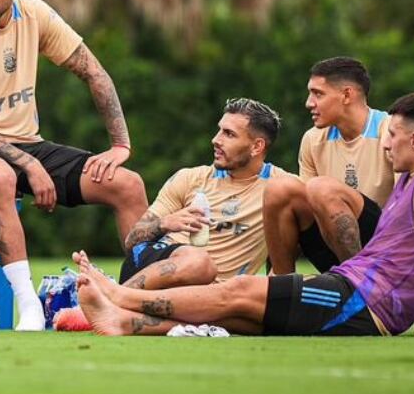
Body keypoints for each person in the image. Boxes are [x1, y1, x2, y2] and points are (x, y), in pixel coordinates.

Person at [72, 92, 414, 339]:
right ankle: (127, 321)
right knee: (239, 319)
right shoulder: (412, 182)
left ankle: (123, 298)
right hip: (360, 294)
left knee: (241, 293)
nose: (384, 143)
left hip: (359, 300)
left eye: (392, 136)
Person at [0, 0, 148, 330]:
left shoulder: (35, 15)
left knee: (128, 185)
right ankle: (29, 306)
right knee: (1, 176)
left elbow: (95, 72)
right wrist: (29, 164)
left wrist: (121, 145)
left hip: (27, 144)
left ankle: (135, 302)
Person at [119, 99, 291, 291]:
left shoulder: (282, 189)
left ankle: (104, 300)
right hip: (153, 266)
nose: (216, 140)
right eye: (219, 130)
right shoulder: (190, 178)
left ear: (257, 147)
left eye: (229, 134)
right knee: (199, 263)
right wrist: (164, 223)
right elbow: (131, 241)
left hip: (210, 299)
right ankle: (114, 297)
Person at [263, 57, 393, 274]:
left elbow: (408, 208)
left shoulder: (390, 130)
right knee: (278, 189)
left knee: (320, 188)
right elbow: (302, 210)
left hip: (385, 246)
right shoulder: (312, 139)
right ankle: (282, 291)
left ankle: (359, 284)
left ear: (347, 95)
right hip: (331, 243)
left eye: (318, 94)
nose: (309, 103)